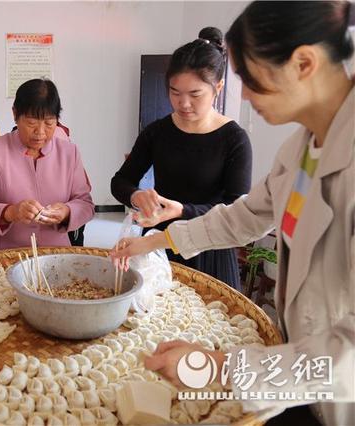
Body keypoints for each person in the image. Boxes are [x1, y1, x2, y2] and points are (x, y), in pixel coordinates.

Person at [111, 2, 354, 424]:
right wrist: (153, 240)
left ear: (304, 63)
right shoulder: (302, 150)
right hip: (297, 381)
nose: (243, 95)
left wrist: (221, 368)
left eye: (251, 79)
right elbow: (242, 216)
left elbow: (348, 358)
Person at [111, 27, 252, 291]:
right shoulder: (157, 132)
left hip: (211, 250)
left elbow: (236, 208)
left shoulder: (234, 139)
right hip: (159, 248)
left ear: (218, 88)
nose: (183, 103)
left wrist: (184, 211)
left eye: (195, 94)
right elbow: (121, 181)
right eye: (175, 92)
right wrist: (136, 196)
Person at [0, 78, 94, 251]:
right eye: (31, 123)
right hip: (2, 257)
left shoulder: (69, 152)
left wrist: (67, 211)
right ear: (15, 114)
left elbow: (85, 203)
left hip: (53, 255)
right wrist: (10, 212)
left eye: (49, 123)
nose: (40, 132)